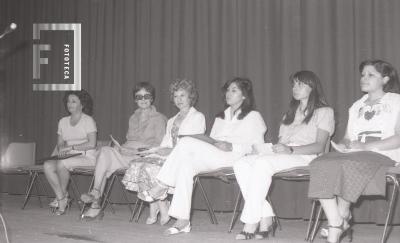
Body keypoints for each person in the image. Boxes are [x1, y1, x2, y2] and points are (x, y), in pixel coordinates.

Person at [141, 77, 267, 235]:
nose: (228, 93)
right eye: (227, 90)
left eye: (234, 90)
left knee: (186, 141)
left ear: (244, 95)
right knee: (186, 165)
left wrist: (232, 146)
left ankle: (162, 184)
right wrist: (211, 142)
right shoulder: (221, 116)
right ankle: (183, 220)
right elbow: (212, 141)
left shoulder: (253, 116)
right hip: (216, 156)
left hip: (237, 157)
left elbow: (257, 148)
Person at [233, 71, 334, 240]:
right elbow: (281, 144)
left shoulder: (324, 111)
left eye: (300, 84)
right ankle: (265, 217)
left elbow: (320, 146)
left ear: (312, 87)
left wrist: (291, 150)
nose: (295, 88)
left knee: (262, 164)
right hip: (285, 154)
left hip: (307, 156)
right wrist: (263, 149)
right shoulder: (289, 114)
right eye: (294, 84)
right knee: (242, 163)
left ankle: (250, 222)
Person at [308, 59, 400, 243]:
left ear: (385, 79)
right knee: (319, 163)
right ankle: (337, 221)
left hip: (385, 153)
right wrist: (343, 144)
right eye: (363, 75)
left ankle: (339, 220)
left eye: (370, 75)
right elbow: (348, 137)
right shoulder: (356, 105)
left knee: (349, 163)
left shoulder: (397, 102)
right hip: (356, 154)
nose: (364, 78)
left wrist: (364, 147)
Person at [122, 79, 206, 225]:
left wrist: (169, 151)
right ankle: (158, 205)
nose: (179, 99)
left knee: (149, 167)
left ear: (190, 97)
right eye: (175, 96)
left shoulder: (198, 117)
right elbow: (165, 143)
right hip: (169, 156)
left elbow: (194, 145)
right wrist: (155, 151)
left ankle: (159, 205)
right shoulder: (172, 120)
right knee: (138, 163)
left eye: (182, 95)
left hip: (187, 158)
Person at [80, 82, 167, 220]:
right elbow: (129, 139)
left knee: (104, 162)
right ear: (135, 99)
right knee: (105, 152)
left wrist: (137, 151)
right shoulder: (133, 118)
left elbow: (160, 145)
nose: (143, 99)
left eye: (146, 96)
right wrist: (121, 148)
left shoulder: (160, 118)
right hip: (127, 154)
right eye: (139, 97)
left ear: (152, 98)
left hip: (143, 157)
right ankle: (96, 192)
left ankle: (95, 205)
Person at [44, 89, 97, 215]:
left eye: (74, 101)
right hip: (67, 156)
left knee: (62, 164)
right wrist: (62, 149)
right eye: (68, 101)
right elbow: (60, 143)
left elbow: (92, 144)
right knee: (47, 165)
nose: (69, 104)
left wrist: (71, 148)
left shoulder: (88, 120)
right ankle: (62, 197)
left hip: (87, 157)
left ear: (82, 104)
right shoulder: (62, 121)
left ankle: (61, 200)